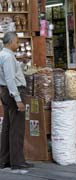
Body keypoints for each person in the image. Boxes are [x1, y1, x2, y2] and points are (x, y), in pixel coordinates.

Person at [0, 32, 33, 170]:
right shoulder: (7, 57)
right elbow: (10, 79)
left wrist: (20, 64)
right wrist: (18, 99)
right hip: (13, 92)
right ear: (11, 42)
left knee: (7, 127)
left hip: (5, 92)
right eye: (17, 42)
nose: (18, 45)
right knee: (17, 128)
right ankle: (17, 162)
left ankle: (4, 160)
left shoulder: (3, 55)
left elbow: (9, 75)